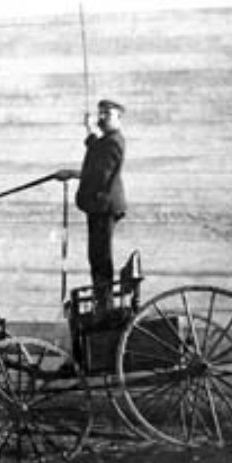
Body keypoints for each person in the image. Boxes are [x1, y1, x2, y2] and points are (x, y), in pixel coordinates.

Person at [75, 99, 127, 314]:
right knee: (97, 256)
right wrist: (89, 130)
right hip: (100, 206)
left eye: (108, 113)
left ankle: (104, 306)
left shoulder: (113, 142)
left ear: (119, 118)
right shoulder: (108, 140)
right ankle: (102, 301)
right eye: (101, 113)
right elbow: (96, 151)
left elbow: (99, 173)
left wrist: (74, 174)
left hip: (103, 207)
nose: (102, 117)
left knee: (100, 257)